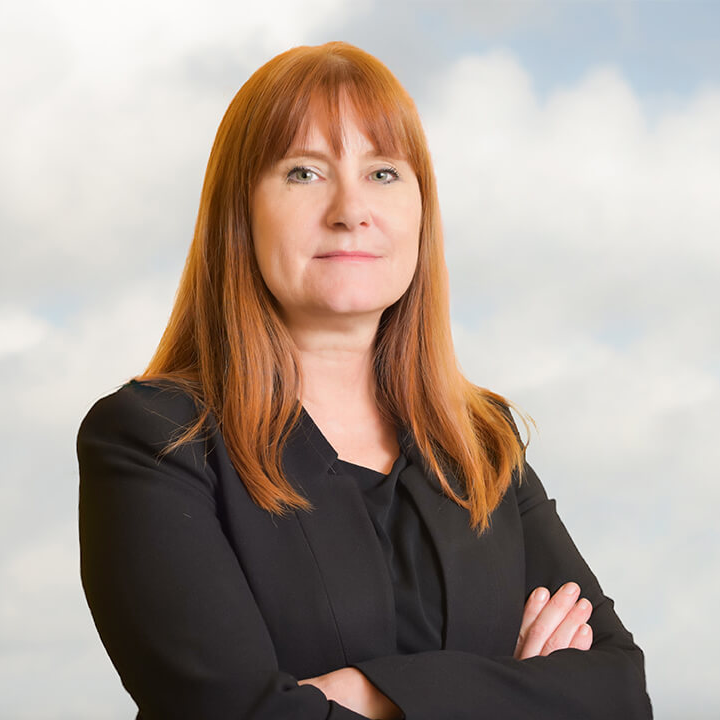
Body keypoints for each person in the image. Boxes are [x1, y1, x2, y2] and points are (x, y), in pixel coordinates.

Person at [76, 41, 653, 719]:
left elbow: (617, 691)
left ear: (420, 213)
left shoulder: (481, 444)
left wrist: (368, 695)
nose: (351, 209)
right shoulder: (155, 441)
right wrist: (510, 689)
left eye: (383, 173)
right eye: (303, 173)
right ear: (241, 213)